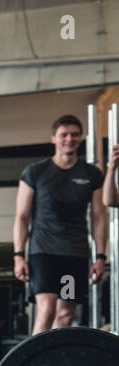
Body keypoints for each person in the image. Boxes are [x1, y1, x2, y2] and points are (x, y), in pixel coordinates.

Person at [13, 115, 109, 333]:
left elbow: (98, 216)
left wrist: (101, 256)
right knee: (46, 311)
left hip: (73, 255)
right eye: (64, 135)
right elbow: (22, 216)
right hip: (44, 254)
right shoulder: (35, 173)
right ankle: (35, 364)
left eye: (74, 134)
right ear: (53, 139)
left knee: (66, 314)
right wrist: (18, 255)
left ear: (80, 138)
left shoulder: (91, 174)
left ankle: (53, 363)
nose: (69, 139)